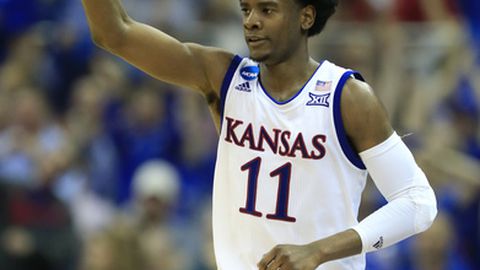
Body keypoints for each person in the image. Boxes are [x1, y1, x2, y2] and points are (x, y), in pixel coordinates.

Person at [81, 0, 438, 269]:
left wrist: (319, 249)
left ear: (306, 16)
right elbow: (114, 32)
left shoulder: (346, 97)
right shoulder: (223, 77)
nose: (251, 21)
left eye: (267, 9)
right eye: (246, 9)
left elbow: (418, 202)